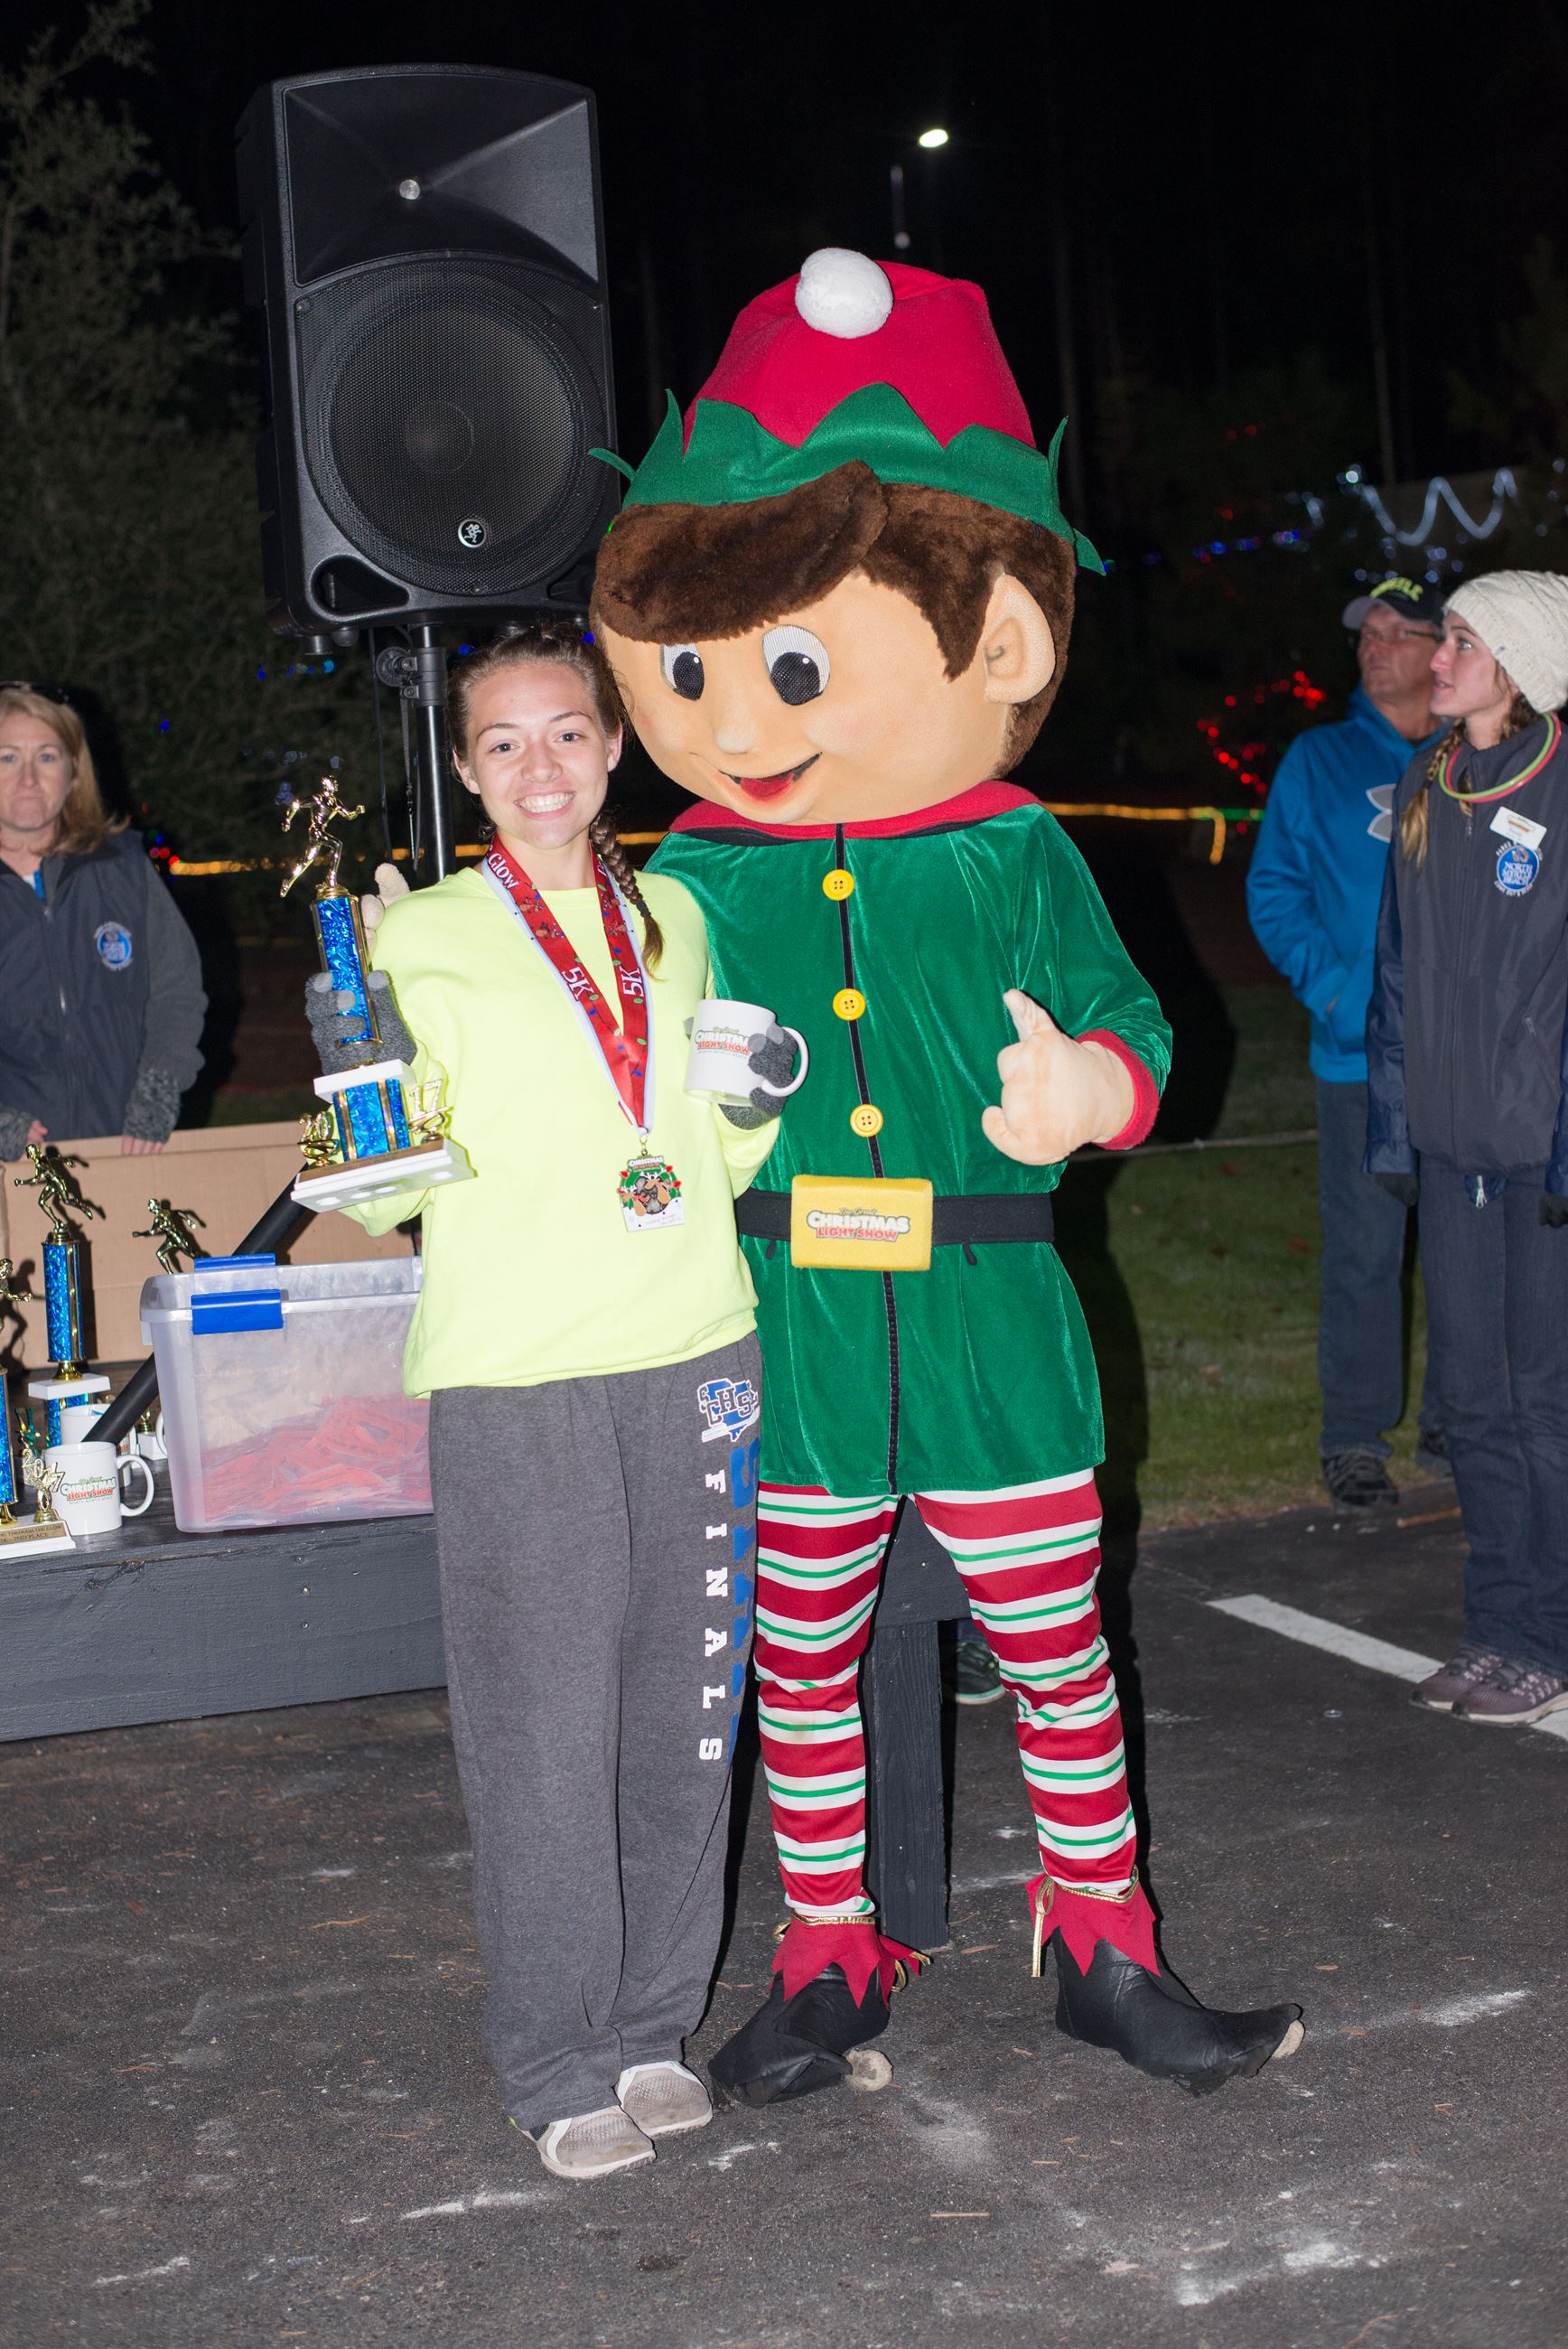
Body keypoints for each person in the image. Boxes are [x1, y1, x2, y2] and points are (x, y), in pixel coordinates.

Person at [592, 248, 1303, 2104]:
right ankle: (826, 1948)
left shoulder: (1014, 850)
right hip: (794, 1333)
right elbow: (635, 1086)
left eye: (784, 663)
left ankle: (1103, 1943)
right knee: (798, 1657)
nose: (733, 720)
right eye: (691, 669)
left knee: (1057, 1647)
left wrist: (1091, 1086)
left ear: (1000, 639)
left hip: (991, 1316)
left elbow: (1139, 1029)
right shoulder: (693, 874)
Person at [313, 623, 787, 2178]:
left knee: (686, 1716)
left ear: (614, 744)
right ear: (465, 769)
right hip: (520, 1374)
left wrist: (752, 1101)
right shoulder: (420, 937)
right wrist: (355, 1071)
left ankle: (650, 2023)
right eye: (503, 742)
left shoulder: (680, 917)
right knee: (543, 1734)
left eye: (567, 732)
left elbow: (721, 1153)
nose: (540, 766)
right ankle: (554, 2055)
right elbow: (388, 1198)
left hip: (698, 1350)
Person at [1367, 571, 1568, 1725]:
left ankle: (1547, 1635)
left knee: (1541, 1404)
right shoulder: (1424, 782)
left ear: (1521, 666)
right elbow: (1393, 976)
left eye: (1459, 641)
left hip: (1540, 1158)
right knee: (1473, 1402)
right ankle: (1494, 1627)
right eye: (1442, 637)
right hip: (1452, 1152)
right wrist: (1396, 1130)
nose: (1436, 659)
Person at [1247, 577, 1444, 1510]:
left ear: (1441, 650)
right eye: (1367, 632)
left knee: (1465, 1248)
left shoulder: (1475, 756)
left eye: (1396, 632)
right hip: (1359, 1057)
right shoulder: (1318, 759)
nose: (1373, 646)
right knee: (1365, 1252)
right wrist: (1335, 993)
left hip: (1466, 1061)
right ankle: (1355, 1436)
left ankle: (1455, 1419)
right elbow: (1273, 890)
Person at [0, 684, 205, 1158]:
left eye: (46, 757)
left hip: (132, 1145)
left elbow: (176, 991)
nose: (28, 778)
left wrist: (158, 1089)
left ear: (74, 772)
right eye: (8, 758)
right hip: (19, 1163)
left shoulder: (122, 867)